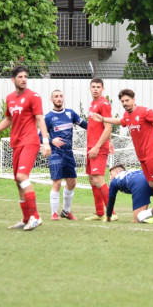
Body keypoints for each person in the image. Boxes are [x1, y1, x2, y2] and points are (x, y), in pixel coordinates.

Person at [90, 89, 153, 223]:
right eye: (122, 101)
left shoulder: (144, 111)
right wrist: (103, 119)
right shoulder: (127, 116)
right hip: (142, 157)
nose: (125, 103)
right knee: (151, 183)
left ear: (134, 99)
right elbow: (120, 121)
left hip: (152, 153)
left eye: (127, 100)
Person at [0, 65, 51, 231]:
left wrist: (45, 141)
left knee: (22, 177)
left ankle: (36, 217)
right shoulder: (10, 98)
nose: (24, 79)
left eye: (25, 76)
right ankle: (26, 218)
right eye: (20, 76)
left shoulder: (33, 96)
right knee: (18, 182)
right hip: (16, 143)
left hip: (30, 142)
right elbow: (9, 119)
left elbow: (40, 119)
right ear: (13, 80)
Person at [42, 89, 87, 221]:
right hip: (56, 154)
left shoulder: (70, 113)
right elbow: (39, 136)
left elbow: (85, 125)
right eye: (56, 96)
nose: (59, 98)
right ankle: (54, 213)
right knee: (57, 182)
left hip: (68, 153)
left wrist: (101, 127)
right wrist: (51, 141)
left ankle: (66, 211)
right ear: (52, 99)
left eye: (61, 96)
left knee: (72, 182)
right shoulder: (48, 117)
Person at [84, 77, 117, 221]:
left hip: (97, 148)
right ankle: (99, 212)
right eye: (93, 86)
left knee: (98, 179)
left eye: (98, 87)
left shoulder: (104, 104)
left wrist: (98, 146)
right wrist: (109, 141)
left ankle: (112, 213)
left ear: (103, 89)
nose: (96, 89)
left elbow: (108, 126)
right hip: (91, 146)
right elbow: (102, 128)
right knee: (92, 179)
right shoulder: (93, 103)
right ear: (90, 88)